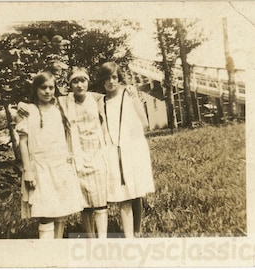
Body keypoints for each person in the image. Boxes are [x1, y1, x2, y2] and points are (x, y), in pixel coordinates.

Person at [16, 71, 84, 239]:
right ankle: (46, 251)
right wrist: (28, 170)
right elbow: (23, 143)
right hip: (40, 168)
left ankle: (57, 249)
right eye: (43, 88)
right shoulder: (28, 110)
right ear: (36, 89)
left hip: (60, 165)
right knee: (46, 211)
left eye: (51, 88)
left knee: (61, 209)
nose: (47, 91)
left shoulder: (59, 109)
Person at [97, 62, 155, 238]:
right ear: (101, 81)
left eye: (114, 77)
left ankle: (136, 232)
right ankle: (130, 234)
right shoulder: (101, 101)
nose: (111, 82)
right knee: (125, 193)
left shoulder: (128, 94)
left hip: (132, 147)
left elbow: (144, 122)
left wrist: (135, 96)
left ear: (119, 78)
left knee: (135, 189)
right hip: (113, 150)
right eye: (106, 78)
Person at [57, 67, 108, 238]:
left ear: (88, 81)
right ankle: (91, 238)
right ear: (70, 84)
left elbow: (118, 93)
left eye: (82, 80)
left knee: (100, 201)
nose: (79, 85)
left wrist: (129, 88)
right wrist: (21, 104)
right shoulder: (64, 102)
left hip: (97, 152)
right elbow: (39, 99)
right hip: (77, 155)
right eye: (75, 81)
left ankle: (102, 240)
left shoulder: (97, 98)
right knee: (85, 202)